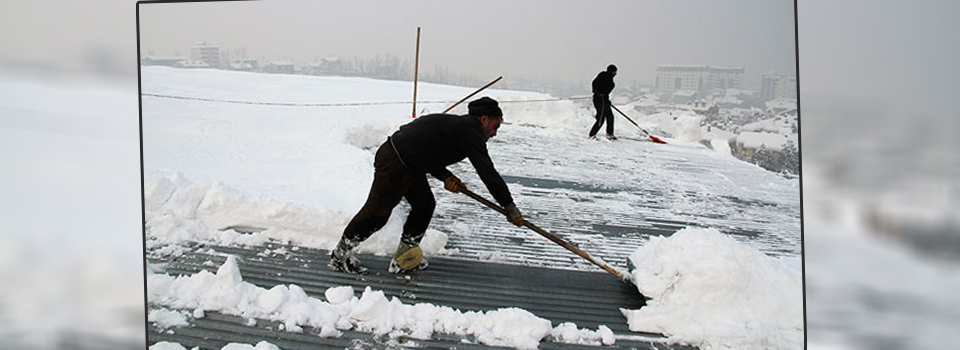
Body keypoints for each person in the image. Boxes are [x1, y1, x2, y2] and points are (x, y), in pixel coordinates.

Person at [329, 97, 525, 275]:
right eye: (495, 125)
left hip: (410, 162)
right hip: (395, 161)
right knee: (376, 213)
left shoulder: (460, 127)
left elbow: (428, 150)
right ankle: (340, 256)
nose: (495, 133)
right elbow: (487, 172)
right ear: (483, 119)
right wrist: (509, 206)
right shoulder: (470, 132)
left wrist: (446, 176)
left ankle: (405, 258)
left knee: (424, 205)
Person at [589, 64, 618, 140]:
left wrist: (607, 100)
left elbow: (606, 92)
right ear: (611, 71)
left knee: (610, 116)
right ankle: (592, 134)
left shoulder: (611, 81)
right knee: (601, 118)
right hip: (598, 99)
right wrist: (597, 92)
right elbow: (594, 83)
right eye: (615, 71)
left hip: (605, 100)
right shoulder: (603, 75)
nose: (616, 73)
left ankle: (610, 134)